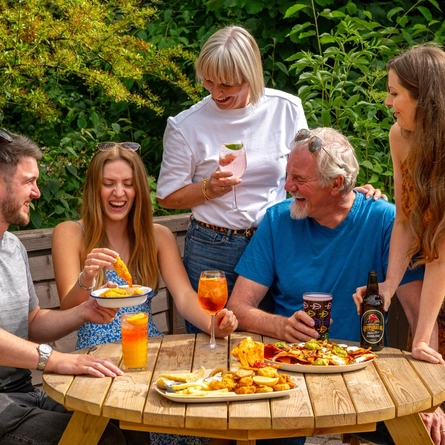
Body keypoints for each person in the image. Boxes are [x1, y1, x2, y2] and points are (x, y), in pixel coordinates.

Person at [156, 25, 379, 334]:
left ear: (251, 75)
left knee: (273, 338)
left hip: (280, 239)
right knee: (214, 342)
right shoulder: (186, 125)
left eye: (227, 84)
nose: (216, 92)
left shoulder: (285, 109)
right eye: (208, 81)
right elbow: (167, 197)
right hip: (213, 246)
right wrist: (208, 189)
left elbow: (311, 165)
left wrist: (349, 188)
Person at [51, 142, 237, 445]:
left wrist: (214, 324)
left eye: (128, 184)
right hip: (97, 354)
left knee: (216, 418)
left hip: (148, 347)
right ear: (94, 189)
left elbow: (185, 297)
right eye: (108, 184)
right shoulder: (71, 233)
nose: (118, 193)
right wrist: (86, 278)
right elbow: (68, 307)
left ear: (139, 189)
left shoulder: (157, 236)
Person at [0, 129, 144, 445]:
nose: (37, 192)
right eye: (28, 181)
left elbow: (34, 323)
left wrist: (85, 310)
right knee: (106, 441)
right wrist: (58, 360)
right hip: (3, 409)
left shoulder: (11, 246)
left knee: (128, 422)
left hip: (24, 393)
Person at [353, 44, 445, 366]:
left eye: (394, 93)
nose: (387, 102)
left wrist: (421, 337)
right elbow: (405, 220)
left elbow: (441, 250)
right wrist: (389, 286)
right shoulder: (400, 136)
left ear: (425, 97)